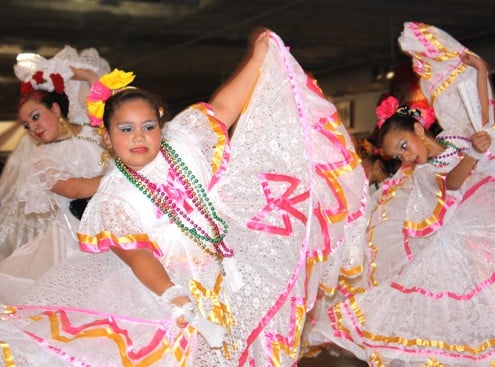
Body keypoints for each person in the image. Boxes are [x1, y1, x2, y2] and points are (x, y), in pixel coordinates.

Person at [0, 29, 369, 367]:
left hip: (224, 266)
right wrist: (177, 301)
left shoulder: (181, 143)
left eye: (148, 127)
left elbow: (223, 110)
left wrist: (258, 57)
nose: (139, 137)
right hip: (160, 292)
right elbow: (137, 254)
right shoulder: (114, 195)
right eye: (126, 130)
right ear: (108, 140)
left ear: (162, 125)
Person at [308, 22, 495, 365]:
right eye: (398, 155)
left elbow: (483, 115)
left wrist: (480, 69)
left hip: (491, 229)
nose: (406, 156)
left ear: (420, 130)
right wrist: (475, 155)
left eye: (405, 145)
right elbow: (451, 185)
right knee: (470, 327)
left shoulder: (456, 138)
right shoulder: (424, 174)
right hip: (460, 249)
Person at [0, 47, 111, 303]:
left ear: (57, 110)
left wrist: (80, 73)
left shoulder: (90, 129)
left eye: (36, 117)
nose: (33, 128)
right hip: (74, 238)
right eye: (27, 125)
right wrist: (123, 178)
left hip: (113, 223)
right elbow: (74, 190)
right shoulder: (42, 158)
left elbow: (109, 101)